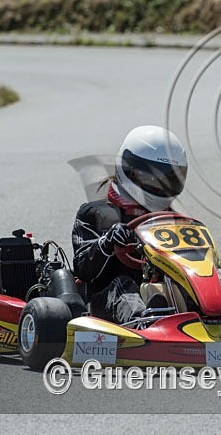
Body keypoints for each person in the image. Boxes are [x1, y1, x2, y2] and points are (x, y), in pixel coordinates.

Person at [72, 125, 187, 325]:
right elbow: (83, 269)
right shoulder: (95, 213)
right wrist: (106, 243)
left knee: (191, 286)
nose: (159, 186)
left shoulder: (172, 219)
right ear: (128, 168)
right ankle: (144, 326)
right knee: (124, 286)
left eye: (168, 180)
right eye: (150, 177)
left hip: (159, 296)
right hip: (105, 301)